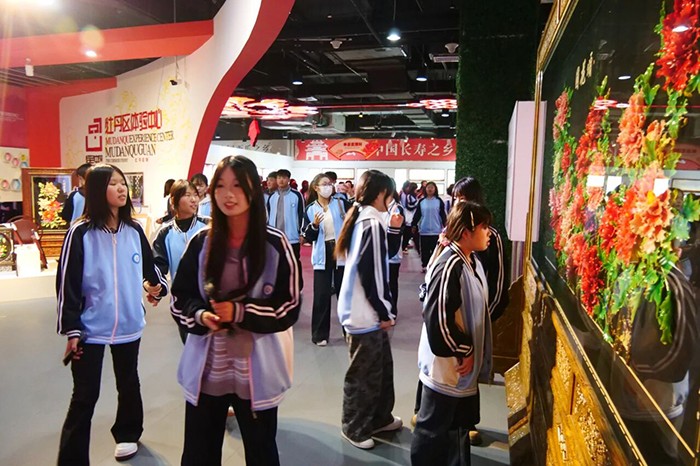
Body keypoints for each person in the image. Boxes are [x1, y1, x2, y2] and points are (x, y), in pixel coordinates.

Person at [171, 155, 301, 466]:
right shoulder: (201, 242)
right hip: (208, 368)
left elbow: (289, 306)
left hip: (256, 368)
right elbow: (180, 298)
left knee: (261, 452)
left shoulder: (275, 243)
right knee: (199, 454)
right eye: (220, 186)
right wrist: (202, 316)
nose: (228, 195)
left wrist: (240, 312)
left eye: (238, 186)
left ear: (253, 190)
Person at [56, 164, 168, 465]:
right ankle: (72, 459)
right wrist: (72, 329)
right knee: (84, 395)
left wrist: (157, 287)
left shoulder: (134, 230)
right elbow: (67, 284)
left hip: (130, 322)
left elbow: (150, 268)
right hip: (90, 327)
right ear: (96, 189)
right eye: (113, 183)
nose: (121, 189)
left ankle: (128, 433)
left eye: (123, 183)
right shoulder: (80, 232)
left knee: (128, 382)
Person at [410, 201, 493, 466]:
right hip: (447, 364)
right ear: (466, 232)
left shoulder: (469, 260)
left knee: (454, 427)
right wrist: (463, 349)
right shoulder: (450, 265)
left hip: (457, 365)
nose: (489, 233)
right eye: (484, 227)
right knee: (433, 430)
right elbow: (437, 320)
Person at [335, 169, 404, 450]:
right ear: (381, 194)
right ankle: (354, 427)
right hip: (364, 314)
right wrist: (384, 313)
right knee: (364, 375)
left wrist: (395, 228)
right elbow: (371, 273)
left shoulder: (367, 218)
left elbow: (382, 256)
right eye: (390, 195)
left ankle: (379, 418)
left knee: (380, 370)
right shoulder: (370, 222)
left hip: (364, 311)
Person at [152, 180, 209, 343]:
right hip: (183, 299)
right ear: (174, 200)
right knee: (189, 344)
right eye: (187, 195)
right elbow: (159, 264)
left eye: (195, 195)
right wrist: (156, 288)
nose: (194, 199)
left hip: (209, 296)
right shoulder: (165, 232)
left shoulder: (208, 225)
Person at [302, 173, 348, 346]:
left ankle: (349, 330)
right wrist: (314, 225)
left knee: (344, 292)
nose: (328, 186)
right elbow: (308, 236)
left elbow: (352, 221)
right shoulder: (310, 209)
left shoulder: (341, 203)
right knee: (321, 295)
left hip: (340, 252)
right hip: (322, 253)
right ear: (316, 188)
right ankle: (320, 334)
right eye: (324, 184)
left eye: (330, 183)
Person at [266, 168, 305, 261]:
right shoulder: (272, 196)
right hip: (275, 237)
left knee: (293, 262)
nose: (281, 180)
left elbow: (302, 214)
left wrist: (302, 233)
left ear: (288, 180)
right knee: (275, 263)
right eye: (279, 178)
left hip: (292, 237)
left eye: (284, 178)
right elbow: (268, 215)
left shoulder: (296, 195)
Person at [413, 181, 447, 271]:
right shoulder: (422, 201)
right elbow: (417, 215)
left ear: (435, 189)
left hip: (436, 230)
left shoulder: (439, 201)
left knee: (435, 250)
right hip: (424, 230)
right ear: (425, 189)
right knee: (424, 250)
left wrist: (446, 226)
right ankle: (425, 265)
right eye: (428, 187)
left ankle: (434, 266)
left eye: (432, 187)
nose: (430, 189)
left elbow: (443, 215)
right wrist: (414, 224)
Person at [386, 189, 405, 319]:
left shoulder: (397, 208)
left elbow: (400, 230)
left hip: (393, 254)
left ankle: (392, 311)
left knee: (392, 283)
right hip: (379, 254)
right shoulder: (377, 207)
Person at [400, 181, 419, 252]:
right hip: (408, 216)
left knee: (409, 232)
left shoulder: (413, 196)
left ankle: (405, 245)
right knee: (407, 232)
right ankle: (404, 246)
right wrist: (417, 204)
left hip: (411, 216)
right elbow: (409, 206)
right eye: (415, 189)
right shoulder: (409, 196)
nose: (416, 191)